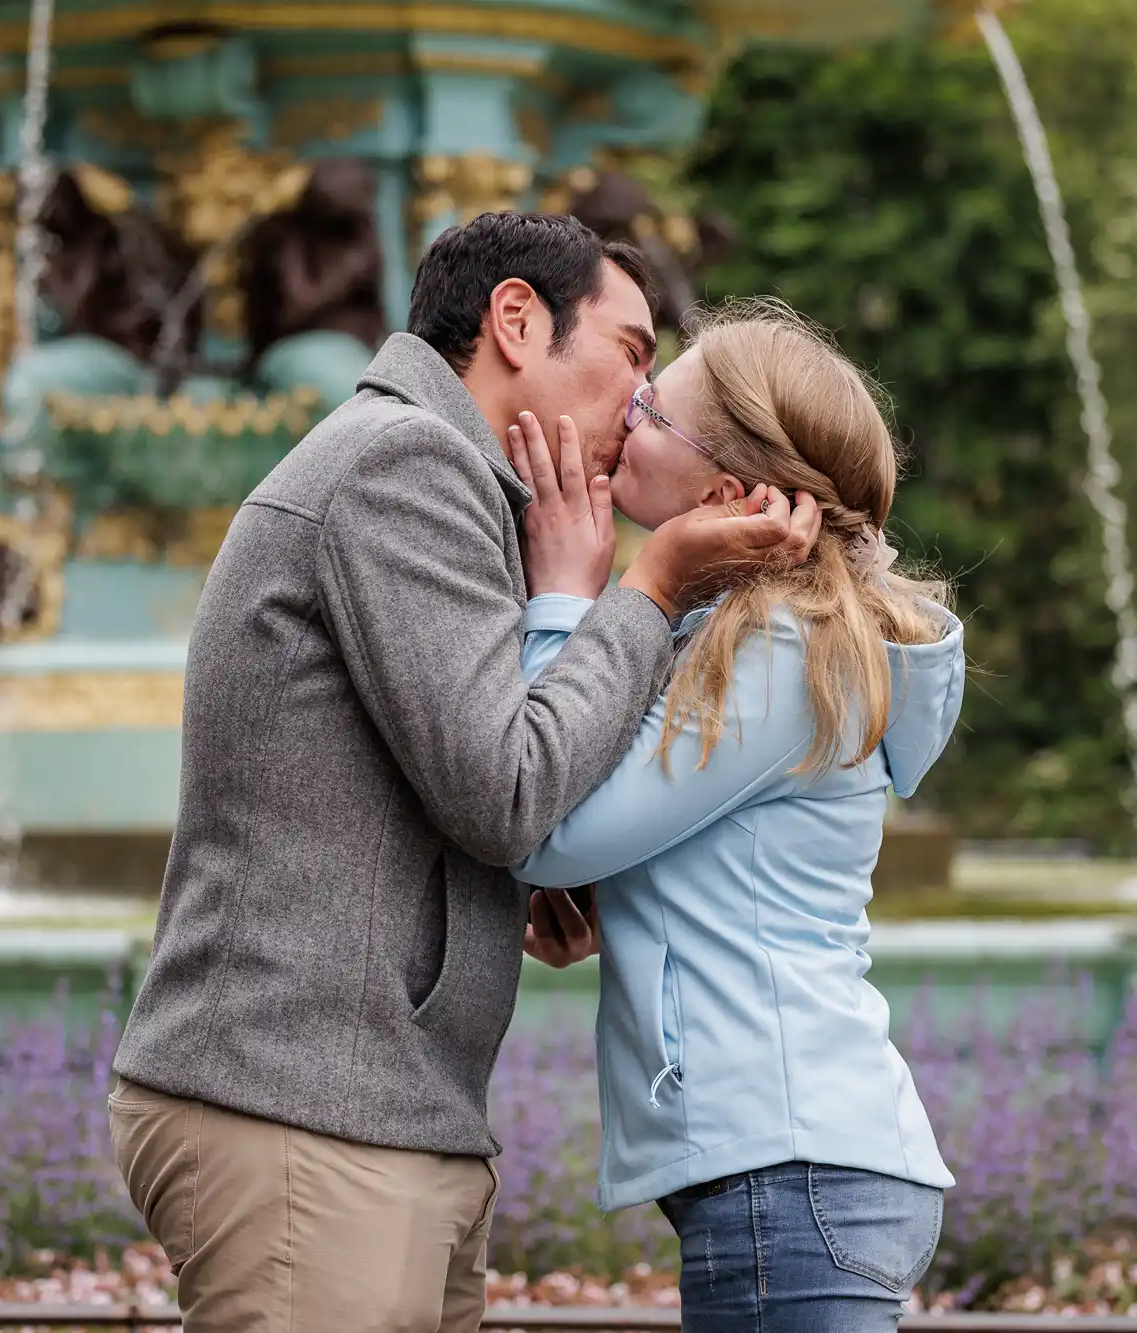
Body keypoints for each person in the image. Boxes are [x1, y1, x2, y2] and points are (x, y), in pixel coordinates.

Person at [107, 213, 820, 1333]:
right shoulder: (407, 465)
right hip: (305, 1108)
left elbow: (449, 779)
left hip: (370, 1112)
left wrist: (511, 891)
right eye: (631, 353)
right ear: (517, 321)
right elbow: (504, 791)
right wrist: (650, 588)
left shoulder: (455, 485)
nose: (640, 400)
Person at [510, 299, 966, 1333]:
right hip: (796, 1169)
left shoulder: (782, 648)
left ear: (723, 489)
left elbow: (540, 818)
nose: (624, 412)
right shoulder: (747, 633)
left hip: (794, 1165)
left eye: (651, 409)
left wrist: (564, 597)